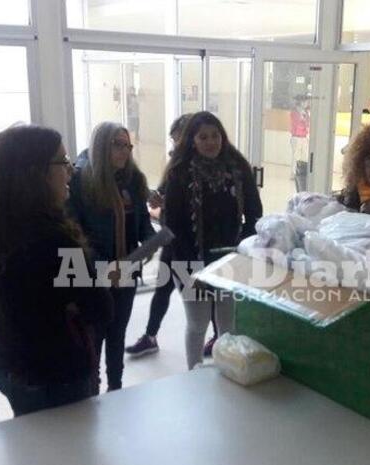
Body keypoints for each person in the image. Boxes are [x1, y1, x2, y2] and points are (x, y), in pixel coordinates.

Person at [0, 125, 113, 416]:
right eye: (63, 162)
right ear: (36, 173)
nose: (70, 171)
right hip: (55, 374)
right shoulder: (57, 237)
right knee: (71, 443)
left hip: (12, 364)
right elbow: (99, 309)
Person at [163, 111, 262, 369]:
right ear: (192, 140)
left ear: (222, 136)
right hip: (188, 259)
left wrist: (242, 248)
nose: (210, 142)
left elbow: (254, 211)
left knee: (228, 324)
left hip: (229, 259)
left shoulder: (237, 167)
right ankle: (193, 373)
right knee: (198, 323)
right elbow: (172, 226)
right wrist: (191, 273)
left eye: (215, 135)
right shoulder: (179, 173)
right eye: (203, 137)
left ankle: (226, 370)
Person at [68, 122, 155, 391]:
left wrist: (151, 242)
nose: (124, 151)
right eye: (117, 144)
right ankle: (92, 393)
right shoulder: (80, 181)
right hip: (90, 276)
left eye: (127, 145)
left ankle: (115, 387)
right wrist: (104, 268)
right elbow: (74, 236)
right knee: (93, 339)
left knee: (117, 334)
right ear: (101, 145)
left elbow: (144, 224)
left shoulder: (133, 180)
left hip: (126, 272)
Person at [126, 114, 192, 357]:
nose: (175, 145)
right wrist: (157, 198)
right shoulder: (175, 165)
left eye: (178, 139)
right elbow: (164, 194)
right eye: (173, 140)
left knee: (199, 296)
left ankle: (218, 337)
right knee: (163, 289)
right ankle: (150, 336)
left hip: (190, 243)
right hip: (171, 239)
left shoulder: (199, 168)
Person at [289, 96, 310, 192]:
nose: (307, 104)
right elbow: (296, 124)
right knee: (296, 156)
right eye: (305, 102)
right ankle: (293, 173)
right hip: (296, 136)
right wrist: (302, 118)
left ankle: (302, 172)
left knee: (304, 156)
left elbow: (307, 124)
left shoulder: (306, 113)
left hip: (304, 136)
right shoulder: (294, 112)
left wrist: (305, 118)